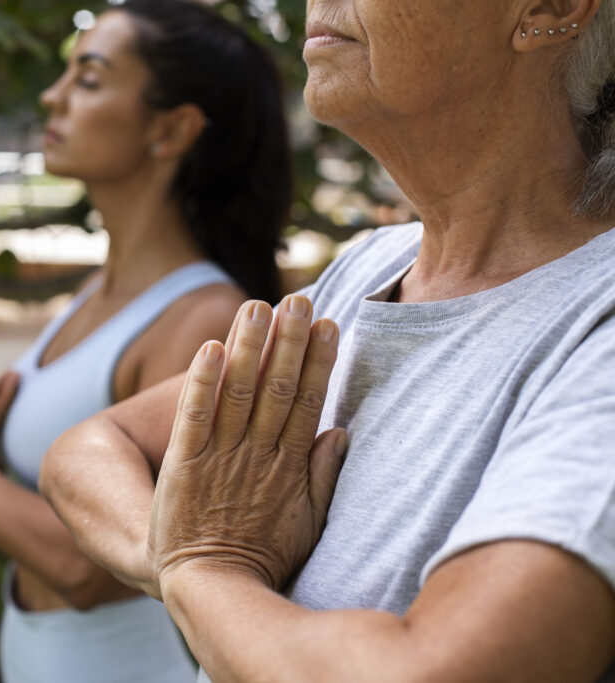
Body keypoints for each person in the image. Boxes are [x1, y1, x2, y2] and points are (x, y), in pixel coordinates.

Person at [40, 0, 615, 681]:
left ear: (549, 8)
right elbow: (87, 450)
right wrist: (181, 548)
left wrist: (208, 570)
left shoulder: (595, 320)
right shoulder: (371, 264)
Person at [0, 1, 293, 681]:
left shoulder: (203, 320)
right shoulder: (96, 292)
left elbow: (96, 563)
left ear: (171, 129)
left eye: (88, 79)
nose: (52, 97)